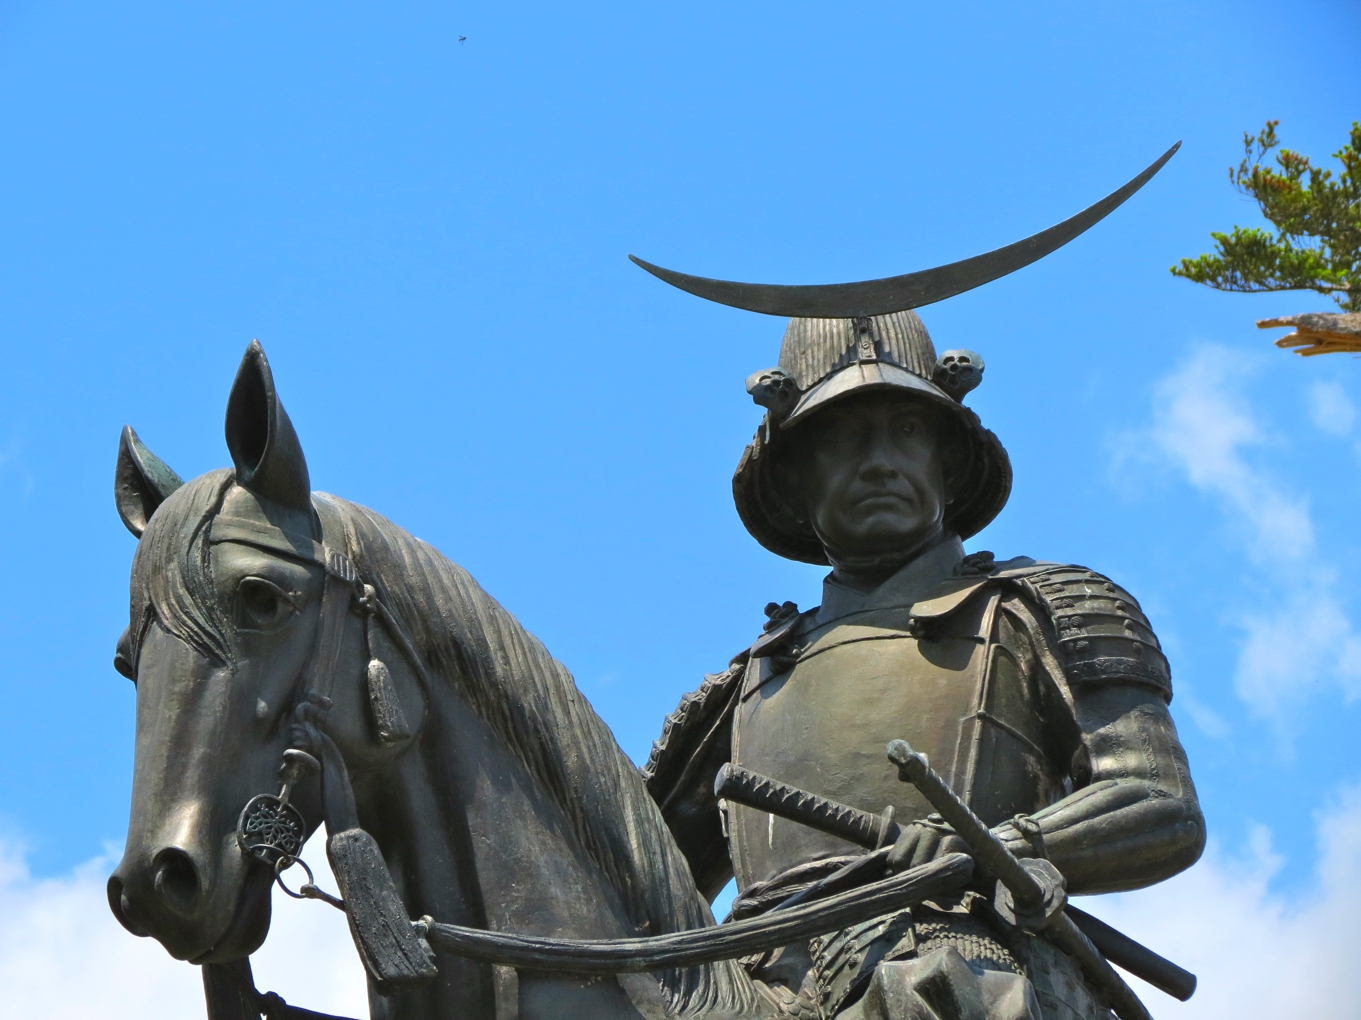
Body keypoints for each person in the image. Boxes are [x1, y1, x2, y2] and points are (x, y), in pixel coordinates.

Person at [642, 311, 1205, 1020]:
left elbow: (1156, 803)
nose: (879, 462)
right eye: (842, 438)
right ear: (791, 478)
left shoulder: (1043, 609)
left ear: (945, 460)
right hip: (758, 984)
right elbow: (631, 882)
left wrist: (999, 846)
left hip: (961, 966)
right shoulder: (745, 684)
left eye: (906, 433)